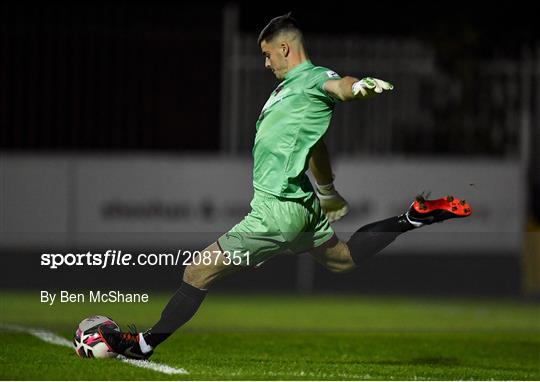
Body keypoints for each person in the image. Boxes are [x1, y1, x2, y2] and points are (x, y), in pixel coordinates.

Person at [99, 13, 472, 359]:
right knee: (342, 260)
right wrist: (326, 192)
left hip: (276, 208)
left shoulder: (311, 79)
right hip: (301, 201)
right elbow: (315, 147)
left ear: (284, 48)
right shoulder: (290, 89)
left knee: (197, 271)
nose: (265, 63)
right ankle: (412, 218)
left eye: (266, 54)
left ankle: (144, 345)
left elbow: (338, 86)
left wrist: (361, 86)